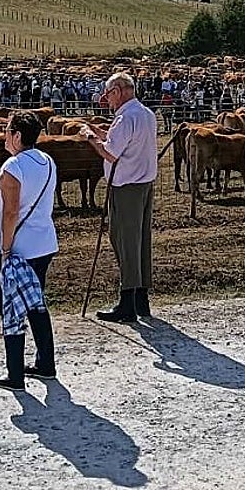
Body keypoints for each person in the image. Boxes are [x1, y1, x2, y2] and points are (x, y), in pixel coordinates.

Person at [0, 111, 58, 391]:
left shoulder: (14, 167)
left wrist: (4, 249)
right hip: (44, 243)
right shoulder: (47, 161)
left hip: (19, 249)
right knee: (36, 303)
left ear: (16, 135)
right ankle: (45, 363)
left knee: (12, 308)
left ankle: (15, 373)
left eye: (7, 131)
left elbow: (11, 211)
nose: (4, 135)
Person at [82, 71, 159, 323]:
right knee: (140, 240)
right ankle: (141, 299)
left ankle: (127, 304)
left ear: (119, 91)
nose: (107, 99)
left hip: (126, 187)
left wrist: (91, 138)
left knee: (124, 240)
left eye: (109, 94)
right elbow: (123, 142)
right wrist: (102, 132)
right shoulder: (146, 114)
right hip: (144, 184)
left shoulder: (125, 117)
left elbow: (111, 154)